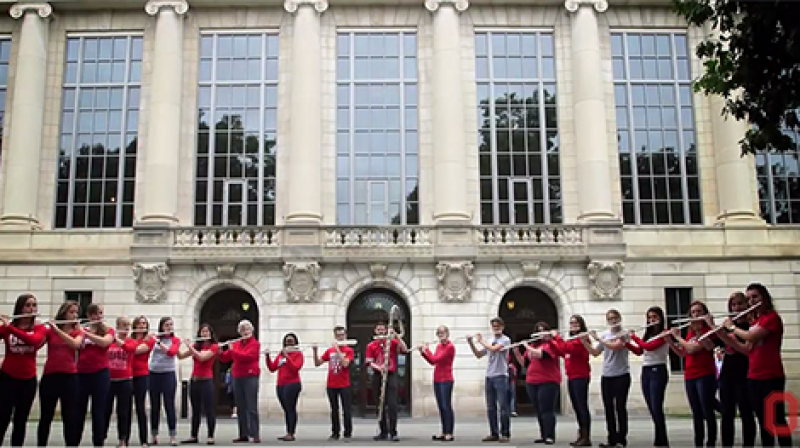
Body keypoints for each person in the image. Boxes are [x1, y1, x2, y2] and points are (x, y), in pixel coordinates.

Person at [721, 283, 792, 447]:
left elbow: (751, 337)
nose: (752, 301)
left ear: (765, 298)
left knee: (777, 419)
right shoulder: (756, 320)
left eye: (755, 297)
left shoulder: (771, 318)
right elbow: (746, 349)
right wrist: (723, 335)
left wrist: (732, 327)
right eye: (749, 298)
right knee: (763, 421)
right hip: (753, 376)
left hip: (772, 375)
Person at [668, 300, 721, 448]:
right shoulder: (690, 332)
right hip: (690, 375)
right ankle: (698, 443)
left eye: (699, 312)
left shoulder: (708, 331)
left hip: (705, 374)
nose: (696, 315)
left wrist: (678, 337)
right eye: (693, 313)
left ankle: (710, 443)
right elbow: (684, 353)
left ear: (705, 314)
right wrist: (671, 342)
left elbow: (692, 348)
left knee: (707, 410)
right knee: (696, 412)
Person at [0, 293, 47, 446]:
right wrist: (6, 326)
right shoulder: (9, 327)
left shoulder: (39, 328)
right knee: (2, 416)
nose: (31, 308)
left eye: (34, 305)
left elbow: (33, 341)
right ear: (20, 307)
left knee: (21, 420)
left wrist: (10, 328)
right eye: (27, 305)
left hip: (28, 379)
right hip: (7, 377)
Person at [38, 300, 84, 447]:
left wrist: (56, 330)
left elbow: (75, 344)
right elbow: (37, 344)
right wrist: (38, 328)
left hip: (70, 377)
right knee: (46, 416)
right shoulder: (50, 331)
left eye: (76, 312)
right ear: (64, 312)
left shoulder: (78, 331)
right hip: (50, 376)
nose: (74, 315)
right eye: (71, 312)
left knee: (70, 416)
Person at [713, 292, 756, 448]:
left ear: (746, 306)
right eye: (733, 305)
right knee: (727, 413)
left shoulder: (750, 326)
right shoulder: (728, 326)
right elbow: (711, 345)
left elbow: (746, 349)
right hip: (727, 373)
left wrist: (728, 334)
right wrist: (711, 327)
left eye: (740, 304)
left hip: (744, 372)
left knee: (746, 412)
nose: (737, 308)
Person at [626, 306, 670, 448]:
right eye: (650, 317)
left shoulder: (664, 333)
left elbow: (649, 346)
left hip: (659, 370)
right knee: (651, 406)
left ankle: (661, 440)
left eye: (655, 317)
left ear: (661, 318)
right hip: (646, 370)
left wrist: (634, 337)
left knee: (657, 406)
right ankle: (660, 438)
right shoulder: (648, 334)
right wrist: (626, 342)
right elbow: (640, 350)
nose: (652, 320)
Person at [588, 309, 632, 448]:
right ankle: (612, 438)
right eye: (610, 319)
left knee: (620, 407)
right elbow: (595, 352)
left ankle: (621, 439)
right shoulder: (606, 335)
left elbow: (616, 346)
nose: (612, 321)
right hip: (607, 375)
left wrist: (599, 339)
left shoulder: (625, 334)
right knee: (608, 408)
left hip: (622, 375)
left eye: (615, 318)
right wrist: (584, 342)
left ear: (619, 318)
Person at [514, 322, 561, 445]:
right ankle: (543, 434)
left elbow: (540, 355)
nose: (540, 333)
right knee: (539, 409)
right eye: (538, 330)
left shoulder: (551, 345)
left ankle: (550, 435)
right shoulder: (533, 345)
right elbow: (524, 363)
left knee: (547, 409)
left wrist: (526, 346)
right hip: (532, 381)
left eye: (543, 330)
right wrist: (517, 352)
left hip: (548, 381)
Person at [467, 317, 511, 443]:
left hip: (501, 375)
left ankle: (505, 433)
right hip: (490, 376)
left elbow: (494, 349)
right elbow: (479, 355)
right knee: (491, 407)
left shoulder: (506, 340)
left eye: (498, 326)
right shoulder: (490, 340)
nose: (496, 328)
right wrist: (471, 343)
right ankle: (494, 433)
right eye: (494, 326)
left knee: (503, 406)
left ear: (502, 327)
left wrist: (481, 340)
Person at [76, 304, 115, 447]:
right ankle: (74, 441)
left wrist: (86, 334)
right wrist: (79, 331)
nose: (97, 316)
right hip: (81, 374)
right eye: (94, 314)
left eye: (99, 313)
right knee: (79, 410)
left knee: (98, 411)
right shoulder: (81, 330)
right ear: (88, 316)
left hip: (100, 374)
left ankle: (98, 442)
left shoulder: (108, 330)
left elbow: (105, 343)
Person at [553, 315, 593, 447]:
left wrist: (557, 337)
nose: (573, 325)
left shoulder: (582, 338)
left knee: (582, 406)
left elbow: (568, 349)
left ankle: (586, 436)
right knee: (577, 407)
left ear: (581, 324)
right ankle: (581, 433)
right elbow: (562, 351)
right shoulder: (571, 339)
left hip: (580, 376)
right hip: (571, 376)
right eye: (571, 323)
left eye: (576, 322)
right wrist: (552, 341)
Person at [366, 320, 408, 442]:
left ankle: (393, 432)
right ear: (375, 331)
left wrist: (396, 335)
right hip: (378, 375)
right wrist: (378, 367)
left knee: (392, 404)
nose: (381, 331)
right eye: (378, 330)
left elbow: (404, 349)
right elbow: (369, 362)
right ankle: (383, 431)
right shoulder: (371, 345)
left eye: (382, 330)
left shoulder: (392, 342)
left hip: (391, 375)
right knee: (380, 405)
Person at [219, 320, 260, 444]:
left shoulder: (255, 344)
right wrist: (220, 350)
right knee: (240, 406)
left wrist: (232, 351)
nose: (245, 331)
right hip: (237, 376)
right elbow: (226, 358)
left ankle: (255, 433)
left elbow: (247, 356)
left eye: (247, 329)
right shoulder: (236, 344)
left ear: (251, 331)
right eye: (242, 329)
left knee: (251, 406)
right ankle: (243, 434)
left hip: (250, 375)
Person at [313, 326, 355, 442]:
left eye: (342, 335)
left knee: (346, 409)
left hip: (344, 384)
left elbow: (345, 363)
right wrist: (315, 351)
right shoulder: (329, 351)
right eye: (338, 335)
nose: (340, 337)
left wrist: (337, 349)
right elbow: (317, 363)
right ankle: (335, 433)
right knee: (334, 409)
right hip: (331, 384)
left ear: (345, 335)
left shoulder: (349, 350)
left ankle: (347, 433)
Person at [179, 323, 219, 445]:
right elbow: (180, 356)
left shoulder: (214, 346)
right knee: (195, 410)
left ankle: (210, 435)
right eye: (202, 332)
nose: (204, 334)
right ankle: (193, 435)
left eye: (207, 331)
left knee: (209, 409)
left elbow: (202, 357)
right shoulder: (197, 345)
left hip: (206, 381)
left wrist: (190, 347)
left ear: (211, 334)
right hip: (195, 381)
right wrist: (174, 345)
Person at [105, 317, 140, 447]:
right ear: (117, 326)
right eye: (123, 325)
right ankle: (101, 437)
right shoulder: (110, 341)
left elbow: (130, 349)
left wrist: (117, 340)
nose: (126, 328)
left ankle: (123, 439)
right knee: (105, 410)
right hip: (109, 380)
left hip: (125, 381)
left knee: (124, 412)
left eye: (127, 326)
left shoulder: (132, 341)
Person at [419, 325, 456, 442]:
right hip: (437, 378)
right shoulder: (439, 346)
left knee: (446, 406)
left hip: (446, 379)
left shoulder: (450, 347)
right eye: (439, 334)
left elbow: (436, 359)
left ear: (447, 334)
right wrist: (423, 352)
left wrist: (427, 349)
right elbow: (432, 362)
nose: (441, 336)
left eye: (443, 333)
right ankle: (444, 431)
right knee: (441, 407)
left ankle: (449, 432)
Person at [266, 333, 305, 442]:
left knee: (290, 408)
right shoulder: (281, 354)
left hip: (292, 384)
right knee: (286, 409)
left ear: (295, 342)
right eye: (287, 341)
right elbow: (273, 368)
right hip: (281, 384)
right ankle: (289, 431)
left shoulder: (298, 354)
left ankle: (291, 432)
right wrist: (267, 357)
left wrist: (287, 357)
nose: (289, 342)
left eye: (291, 341)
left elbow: (295, 368)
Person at [149, 317, 180, 446]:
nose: (169, 327)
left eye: (171, 325)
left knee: (169, 405)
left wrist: (158, 343)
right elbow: (143, 347)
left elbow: (172, 352)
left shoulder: (175, 340)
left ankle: (172, 435)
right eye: (166, 325)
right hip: (154, 373)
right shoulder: (155, 338)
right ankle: (154, 435)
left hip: (168, 374)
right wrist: (149, 338)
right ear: (161, 326)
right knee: (154, 406)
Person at [130, 316, 156, 447]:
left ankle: (144, 440)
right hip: (128, 374)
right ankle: (124, 439)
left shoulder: (150, 340)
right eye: (139, 323)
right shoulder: (130, 339)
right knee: (126, 408)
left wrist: (127, 345)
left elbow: (136, 350)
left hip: (141, 374)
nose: (142, 325)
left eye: (144, 323)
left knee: (140, 407)